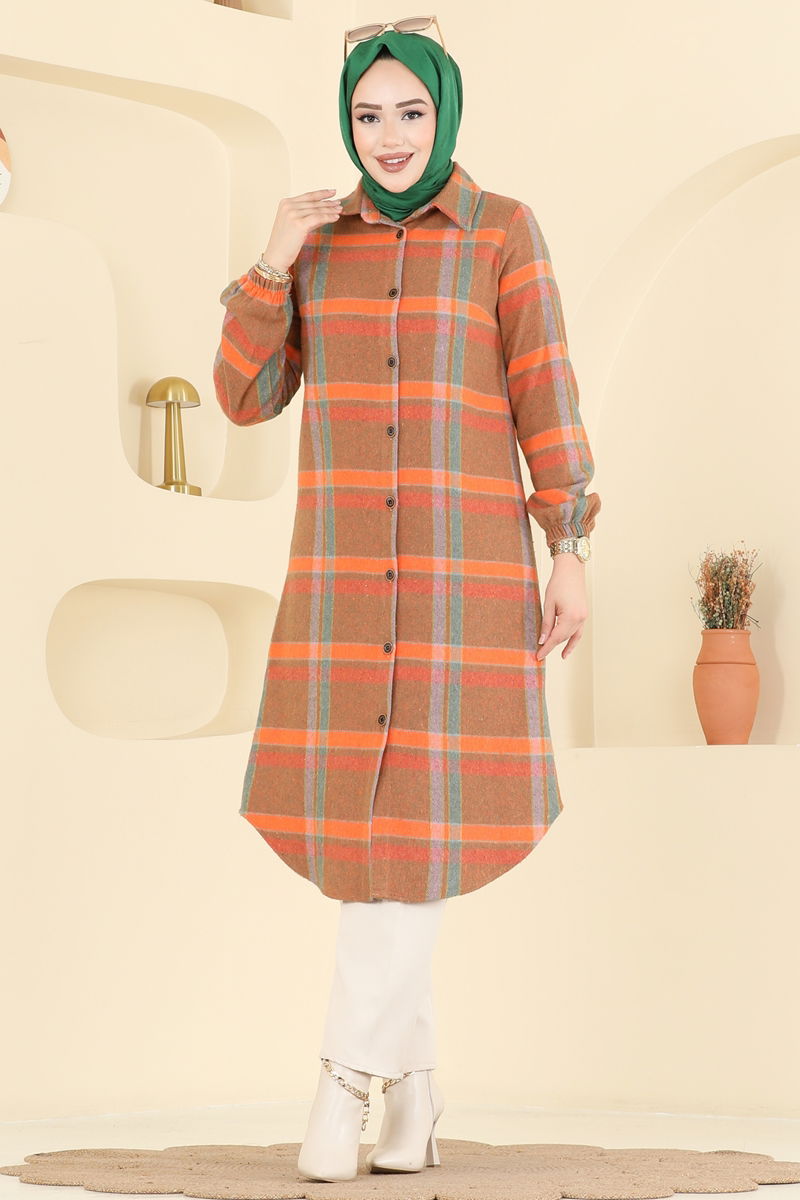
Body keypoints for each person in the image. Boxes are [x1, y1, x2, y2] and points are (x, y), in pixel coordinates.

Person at [212, 18, 601, 1185]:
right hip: (341, 594)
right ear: (347, 123)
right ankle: (415, 1095)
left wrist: (567, 546)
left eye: (410, 112)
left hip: (458, 589)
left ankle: (342, 1084)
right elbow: (243, 398)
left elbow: (545, 392)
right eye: (367, 115)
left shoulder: (501, 233)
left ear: (444, 112)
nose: (388, 137)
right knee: (380, 842)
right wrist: (270, 263)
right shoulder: (316, 247)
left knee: (410, 837)